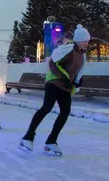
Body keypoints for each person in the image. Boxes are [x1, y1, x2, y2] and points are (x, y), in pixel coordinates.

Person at [19, 24, 90, 156]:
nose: (87, 43)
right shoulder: (68, 48)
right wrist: (64, 77)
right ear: (79, 40)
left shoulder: (82, 55)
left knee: (65, 112)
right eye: (85, 40)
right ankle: (28, 137)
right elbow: (52, 63)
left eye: (87, 40)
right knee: (46, 107)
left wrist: (77, 81)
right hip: (54, 82)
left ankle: (51, 141)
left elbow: (78, 70)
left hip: (66, 85)